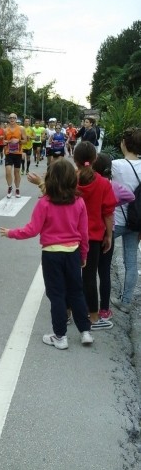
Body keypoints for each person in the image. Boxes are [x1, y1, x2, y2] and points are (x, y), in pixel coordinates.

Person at [0, 159, 91, 350]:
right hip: (73, 252)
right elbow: (84, 233)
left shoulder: (45, 203)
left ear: (51, 179)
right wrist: (83, 255)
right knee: (76, 292)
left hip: (52, 254)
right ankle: (85, 332)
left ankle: (60, 336)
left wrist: (11, 233)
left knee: (56, 295)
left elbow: (32, 230)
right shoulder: (79, 202)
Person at [74, 141, 117, 331]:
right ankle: (92, 317)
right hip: (94, 236)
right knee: (89, 276)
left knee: (70, 275)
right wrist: (109, 235)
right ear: (94, 159)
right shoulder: (103, 183)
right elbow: (108, 212)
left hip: (71, 236)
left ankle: (67, 313)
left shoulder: (70, 180)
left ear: (75, 160)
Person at [93, 153, 135, 319]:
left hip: (89, 232)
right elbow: (131, 197)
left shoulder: (89, 184)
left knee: (86, 272)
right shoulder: (113, 186)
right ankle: (105, 309)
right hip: (106, 232)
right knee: (105, 272)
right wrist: (115, 202)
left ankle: (81, 307)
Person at [110, 127, 141, 313]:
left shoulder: (116, 165)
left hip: (116, 220)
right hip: (136, 221)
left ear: (124, 143)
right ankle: (126, 301)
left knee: (95, 254)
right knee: (131, 261)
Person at [3, 113, 26, 198]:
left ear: (16, 119)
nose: (12, 119)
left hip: (18, 153)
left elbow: (25, 140)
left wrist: (18, 141)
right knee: (8, 171)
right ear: (8, 119)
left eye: (14, 118)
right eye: (10, 118)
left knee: (16, 172)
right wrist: (5, 144)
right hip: (9, 153)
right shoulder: (5, 130)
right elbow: (4, 141)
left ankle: (17, 188)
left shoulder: (21, 129)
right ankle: (9, 187)